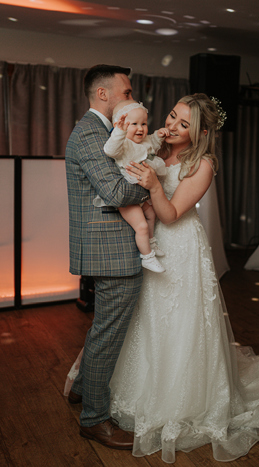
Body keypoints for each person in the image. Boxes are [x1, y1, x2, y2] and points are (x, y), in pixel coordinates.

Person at [67, 93, 259, 463]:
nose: (171, 125)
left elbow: (170, 214)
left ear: (200, 131)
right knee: (142, 320)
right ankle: (106, 390)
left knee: (180, 324)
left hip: (180, 248)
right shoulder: (153, 144)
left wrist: (154, 184)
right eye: (172, 116)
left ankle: (177, 398)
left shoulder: (203, 164)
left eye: (183, 124)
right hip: (149, 245)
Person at [65, 64, 145, 450]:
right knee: (108, 333)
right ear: (103, 95)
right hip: (110, 250)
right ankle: (95, 420)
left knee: (103, 326)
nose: (131, 98)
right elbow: (116, 192)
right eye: (127, 92)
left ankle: (81, 388)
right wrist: (153, 187)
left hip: (108, 246)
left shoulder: (104, 131)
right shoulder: (90, 133)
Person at [93, 99, 169, 273]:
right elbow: (110, 150)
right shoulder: (122, 144)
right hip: (128, 196)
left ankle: (151, 242)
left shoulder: (144, 141)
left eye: (143, 123)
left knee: (152, 214)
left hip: (142, 193)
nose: (140, 128)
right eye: (134, 124)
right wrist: (119, 132)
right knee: (140, 226)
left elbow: (154, 143)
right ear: (120, 125)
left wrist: (160, 135)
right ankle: (147, 257)